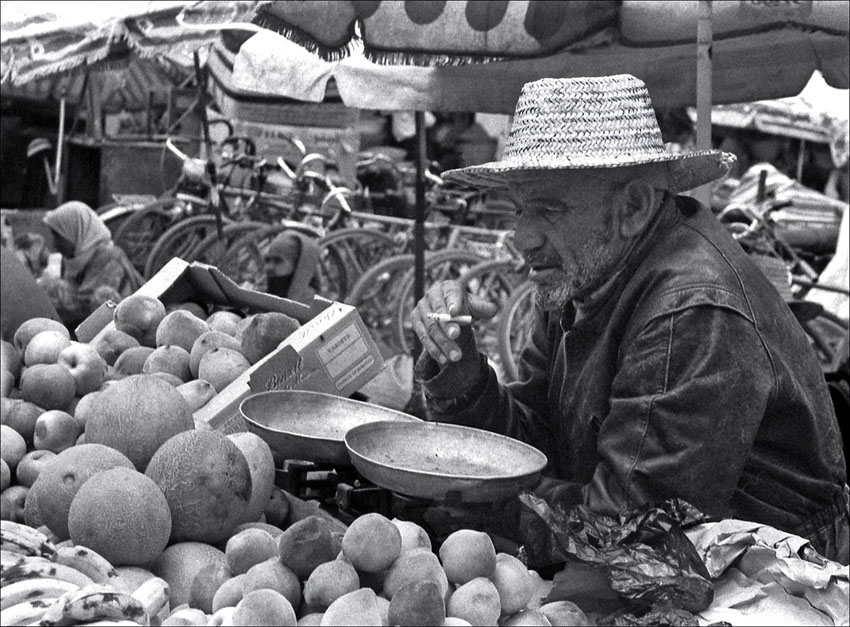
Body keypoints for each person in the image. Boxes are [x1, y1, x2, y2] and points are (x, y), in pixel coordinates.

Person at [409, 75, 849, 565]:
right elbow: (540, 442)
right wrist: (461, 375)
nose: (522, 236)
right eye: (519, 209)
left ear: (633, 208)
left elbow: (626, 528)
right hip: (667, 565)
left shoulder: (690, 312)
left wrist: (469, 496)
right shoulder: (583, 272)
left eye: (549, 208)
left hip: (769, 578)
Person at [38, 201, 144, 329]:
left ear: (76, 231)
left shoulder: (108, 257)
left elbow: (88, 305)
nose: (55, 244)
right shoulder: (73, 259)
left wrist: (50, 290)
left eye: (59, 237)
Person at [263, 230, 322, 303]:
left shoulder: (308, 306)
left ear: (298, 266)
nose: (269, 267)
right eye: (267, 260)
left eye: (277, 261)